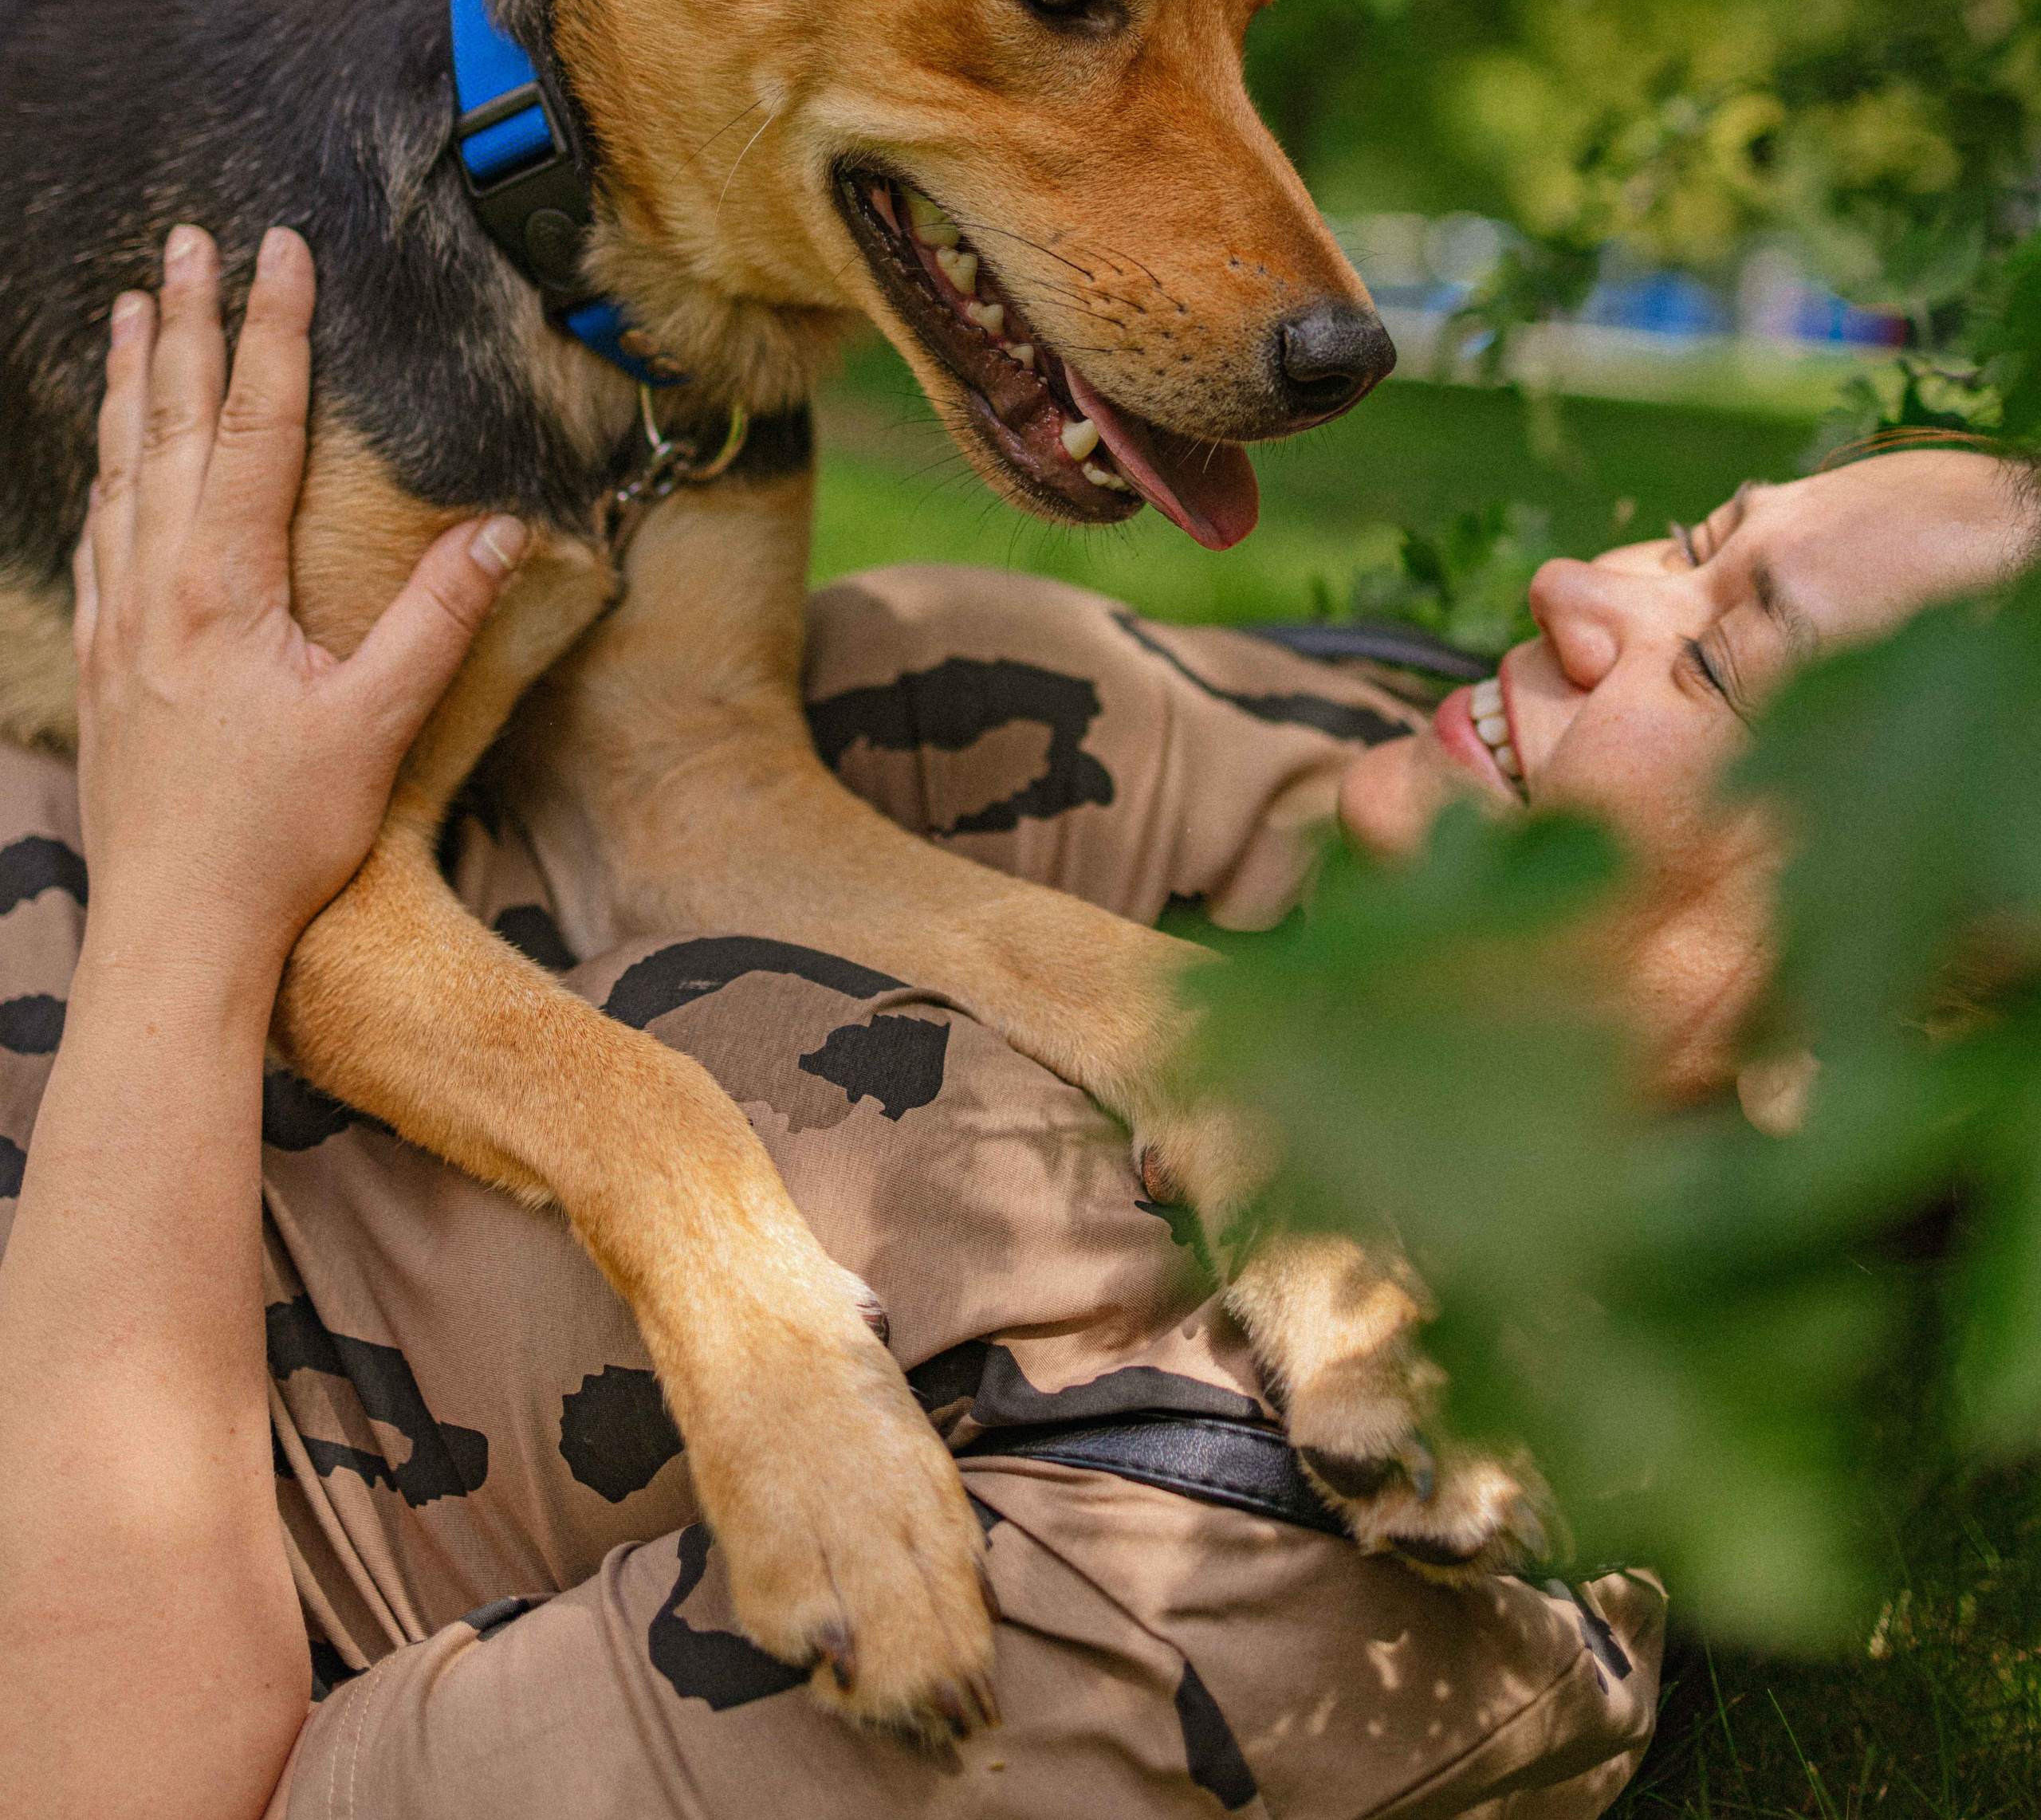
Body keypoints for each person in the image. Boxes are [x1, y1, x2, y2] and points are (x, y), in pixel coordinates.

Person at [0, 235, 2023, 1819]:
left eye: (1738, 654)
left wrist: (187, 889)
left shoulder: (1287, 1595)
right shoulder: (1334, 794)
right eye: (1692, 538)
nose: (1581, 584)